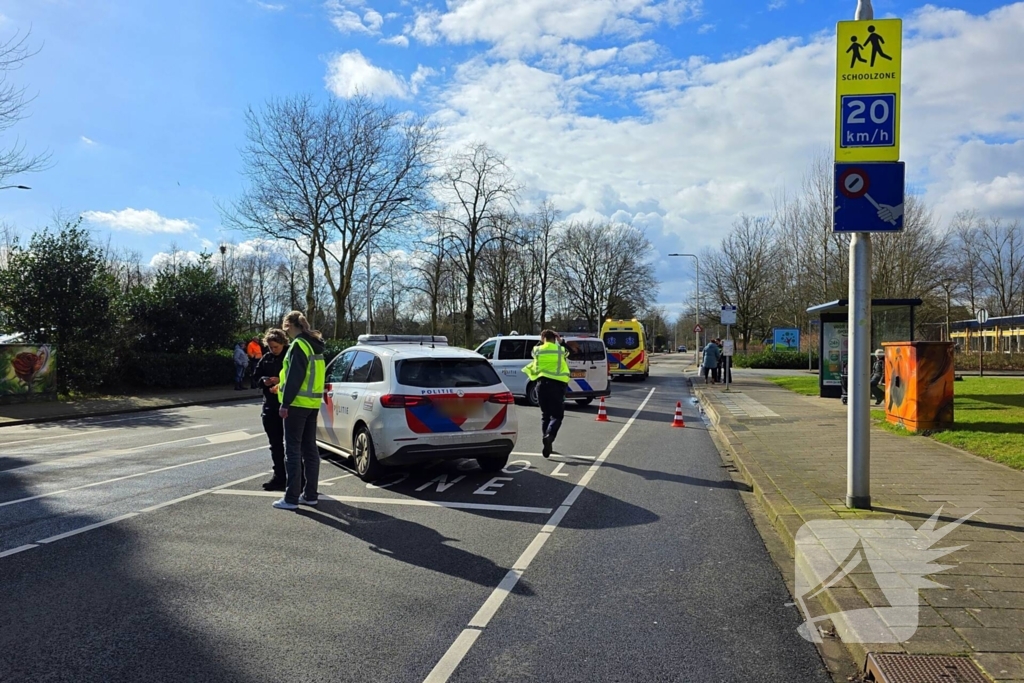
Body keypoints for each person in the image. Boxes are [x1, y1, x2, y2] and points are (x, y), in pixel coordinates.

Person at [273, 311, 327, 511]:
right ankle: (310, 495)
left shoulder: (298, 345)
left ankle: (291, 498)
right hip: (312, 404)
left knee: (293, 451)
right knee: (310, 449)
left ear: (288, 325)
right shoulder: (314, 344)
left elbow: (295, 377)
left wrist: (285, 403)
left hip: (296, 404)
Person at [522, 329, 570, 458]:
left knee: (545, 415)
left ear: (543, 339)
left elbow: (532, 352)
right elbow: (570, 352)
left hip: (541, 385)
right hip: (557, 386)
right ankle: (550, 435)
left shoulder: (537, 350)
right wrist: (561, 341)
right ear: (554, 338)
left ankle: (547, 444)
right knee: (557, 416)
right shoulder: (560, 350)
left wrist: (541, 341)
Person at [253, 329, 288, 491]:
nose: (273, 350)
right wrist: (264, 381)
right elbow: (255, 377)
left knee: (292, 446)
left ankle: (297, 478)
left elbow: (297, 378)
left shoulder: (290, 356)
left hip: (286, 406)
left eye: (276, 347)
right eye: (270, 347)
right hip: (270, 406)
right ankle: (279, 477)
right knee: (275, 445)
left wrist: (280, 382)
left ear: (283, 344)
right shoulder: (266, 358)